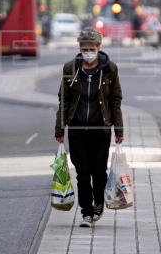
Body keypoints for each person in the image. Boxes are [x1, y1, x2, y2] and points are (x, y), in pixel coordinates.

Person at [55, 27, 124, 228]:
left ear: (98, 47)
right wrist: (59, 129)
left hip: (100, 130)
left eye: (91, 48)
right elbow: (64, 100)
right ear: (79, 48)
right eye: (84, 48)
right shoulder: (70, 69)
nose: (88, 52)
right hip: (76, 130)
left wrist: (119, 129)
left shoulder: (110, 68)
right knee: (83, 173)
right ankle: (86, 212)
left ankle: (99, 203)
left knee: (99, 171)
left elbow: (115, 100)